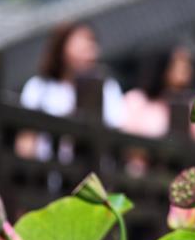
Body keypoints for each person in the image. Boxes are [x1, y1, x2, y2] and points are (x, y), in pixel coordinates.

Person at [16, 22, 124, 160]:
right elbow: (26, 138)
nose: (89, 50)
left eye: (91, 43)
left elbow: (115, 131)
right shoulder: (39, 86)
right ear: (61, 47)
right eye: (81, 43)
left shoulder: (108, 88)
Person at [121, 45, 195, 144]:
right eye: (179, 63)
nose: (185, 69)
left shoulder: (194, 105)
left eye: (188, 64)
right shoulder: (137, 100)